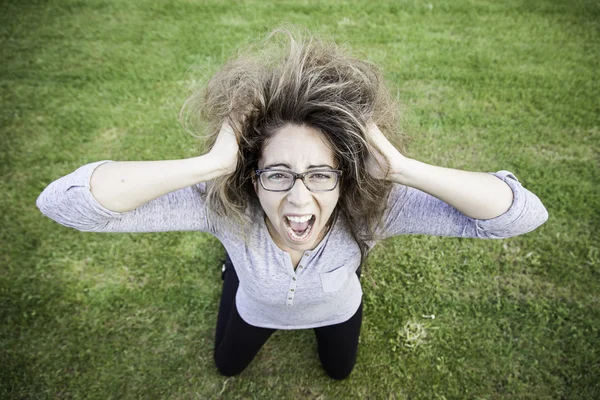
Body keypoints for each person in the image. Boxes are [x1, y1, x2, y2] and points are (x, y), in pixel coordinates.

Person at [36, 27, 548, 380]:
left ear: (346, 175)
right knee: (227, 368)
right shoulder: (225, 205)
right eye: (278, 173)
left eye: (321, 174)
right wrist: (210, 167)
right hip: (254, 309)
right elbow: (67, 203)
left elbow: (520, 214)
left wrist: (401, 170)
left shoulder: (370, 208)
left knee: (340, 372)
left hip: (337, 308)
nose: (299, 199)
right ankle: (233, 271)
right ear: (249, 176)